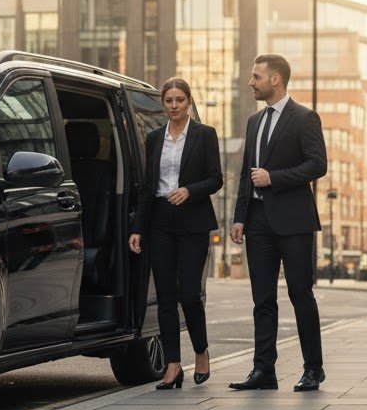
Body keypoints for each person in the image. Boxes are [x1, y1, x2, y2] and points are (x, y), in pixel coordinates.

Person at [229, 54, 328, 392]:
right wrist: (239, 217)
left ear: (275, 79)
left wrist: (275, 178)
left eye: (256, 76)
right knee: (262, 300)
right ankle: (263, 371)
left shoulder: (304, 118)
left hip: (294, 222)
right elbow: (246, 173)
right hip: (258, 223)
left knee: (301, 294)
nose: (251, 82)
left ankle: (313, 369)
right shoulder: (254, 121)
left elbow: (318, 164)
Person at [129, 77, 222, 390]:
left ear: (189, 101)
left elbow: (215, 178)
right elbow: (147, 186)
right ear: (163, 103)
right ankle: (172, 365)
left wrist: (189, 191)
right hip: (160, 221)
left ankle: (201, 350)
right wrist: (138, 229)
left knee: (188, 294)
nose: (173, 106)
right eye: (168, 100)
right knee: (165, 296)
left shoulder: (205, 134)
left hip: (193, 221)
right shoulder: (155, 138)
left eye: (179, 100)